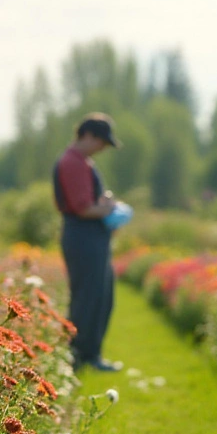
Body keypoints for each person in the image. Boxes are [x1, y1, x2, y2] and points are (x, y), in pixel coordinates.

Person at [53, 113, 124, 372]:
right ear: (88, 135)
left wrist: (104, 204)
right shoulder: (73, 163)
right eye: (101, 142)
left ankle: (90, 354)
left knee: (100, 297)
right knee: (87, 299)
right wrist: (109, 209)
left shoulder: (83, 162)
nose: (103, 148)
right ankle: (78, 357)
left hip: (90, 238)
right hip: (83, 238)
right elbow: (83, 208)